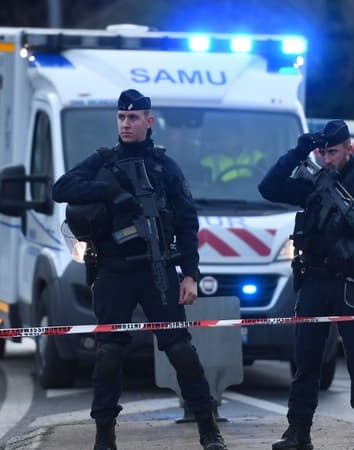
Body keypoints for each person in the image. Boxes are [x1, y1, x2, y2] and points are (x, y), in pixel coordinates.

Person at [51, 89, 227, 450]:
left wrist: (190, 274)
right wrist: (110, 192)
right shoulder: (102, 161)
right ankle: (104, 436)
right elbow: (61, 188)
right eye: (121, 117)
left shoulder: (165, 167)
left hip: (157, 270)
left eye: (133, 118)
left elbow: (187, 223)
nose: (126, 124)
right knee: (108, 353)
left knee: (180, 350)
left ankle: (208, 429)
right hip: (114, 271)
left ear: (149, 120)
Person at [258, 119, 354, 450]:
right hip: (314, 278)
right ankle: (298, 431)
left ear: (348, 149)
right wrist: (298, 152)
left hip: (351, 283)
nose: (327, 159)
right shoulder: (313, 185)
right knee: (306, 358)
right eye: (322, 153)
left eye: (333, 152)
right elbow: (268, 187)